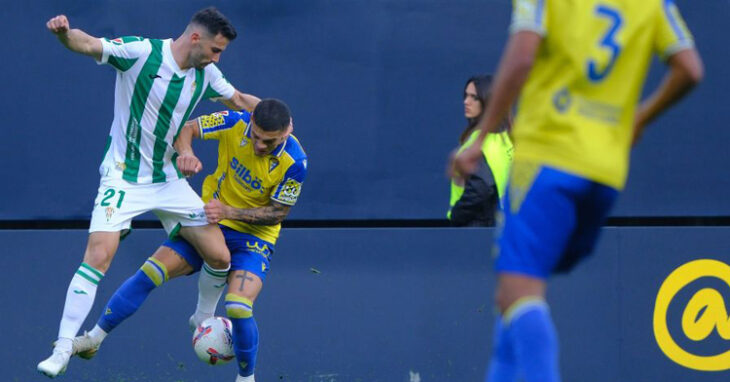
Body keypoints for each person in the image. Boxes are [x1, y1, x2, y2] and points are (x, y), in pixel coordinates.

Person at [451, 1, 703, 381]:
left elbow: (520, 59)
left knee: (521, 294)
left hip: (545, 162)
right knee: (512, 293)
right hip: (604, 173)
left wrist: (478, 138)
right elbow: (690, 69)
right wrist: (640, 117)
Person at [39, 8, 261, 378]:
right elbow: (89, 44)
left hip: (169, 180)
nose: (217, 58)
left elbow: (238, 100)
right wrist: (64, 34)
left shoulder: (207, 74)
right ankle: (63, 346)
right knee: (99, 256)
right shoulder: (142, 53)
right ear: (195, 38)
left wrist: (277, 117)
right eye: (215, 49)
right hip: (124, 178)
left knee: (220, 256)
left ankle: (202, 318)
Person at [68, 99, 306, 382]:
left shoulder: (295, 161)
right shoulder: (236, 121)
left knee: (238, 307)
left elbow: (278, 212)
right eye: (255, 136)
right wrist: (187, 153)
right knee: (150, 272)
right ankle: (94, 338)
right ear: (251, 120)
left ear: (287, 131)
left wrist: (230, 211)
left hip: (254, 238)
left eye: (268, 142)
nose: (258, 145)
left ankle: (246, 378)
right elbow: (188, 128)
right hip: (210, 222)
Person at [448, 74, 513, 226]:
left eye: (474, 97)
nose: (466, 102)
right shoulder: (505, 138)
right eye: (465, 96)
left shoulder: (481, 142)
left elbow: (480, 188)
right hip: (499, 224)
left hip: (476, 227)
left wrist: (457, 214)